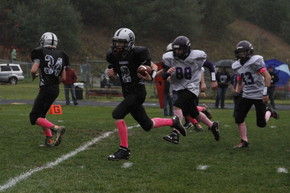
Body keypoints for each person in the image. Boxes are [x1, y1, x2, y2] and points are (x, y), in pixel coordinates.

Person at [105, 28, 186, 161]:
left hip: (137, 92)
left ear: (130, 43)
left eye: (121, 43)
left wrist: (150, 74)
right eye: (116, 42)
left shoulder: (139, 52)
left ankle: (124, 149)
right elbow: (114, 72)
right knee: (147, 125)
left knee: (117, 114)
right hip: (127, 92)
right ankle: (173, 121)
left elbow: (152, 66)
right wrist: (111, 74)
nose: (118, 46)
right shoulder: (113, 55)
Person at [161, 36, 220, 144]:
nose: (177, 52)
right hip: (178, 88)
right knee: (194, 113)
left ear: (187, 49)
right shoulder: (170, 58)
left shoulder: (196, 56)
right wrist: (168, 73)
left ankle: (175, 133)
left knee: (177, 105)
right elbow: (164, 76)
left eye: (180, 49)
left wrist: (213, 80)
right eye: (175, 49)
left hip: (191, 87)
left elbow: (210, 65)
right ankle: (212, 125)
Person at [232, 40, 279, 148]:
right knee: (238, 117)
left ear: (249, 52)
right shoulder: (236, 65)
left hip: (259, 94)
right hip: (247, 94)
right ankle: (244, 141)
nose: (241, 54)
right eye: (239, 52)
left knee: (261, 124)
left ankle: (269, 112)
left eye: (243, 52)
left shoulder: (255, 61)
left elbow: (267, 77)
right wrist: (238, 90)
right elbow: (240, 79)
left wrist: (265, 94)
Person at [29, 32, 67, 147]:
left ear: (43, 41)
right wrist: (53, 81)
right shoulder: (62, 54)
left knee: (34, 117)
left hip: (46, 88)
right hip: (55, 89)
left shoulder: (39, 52)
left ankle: (56, 128)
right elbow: (63, 78)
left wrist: (34, 75)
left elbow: (33, 70)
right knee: (42, 116)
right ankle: (49, 140)